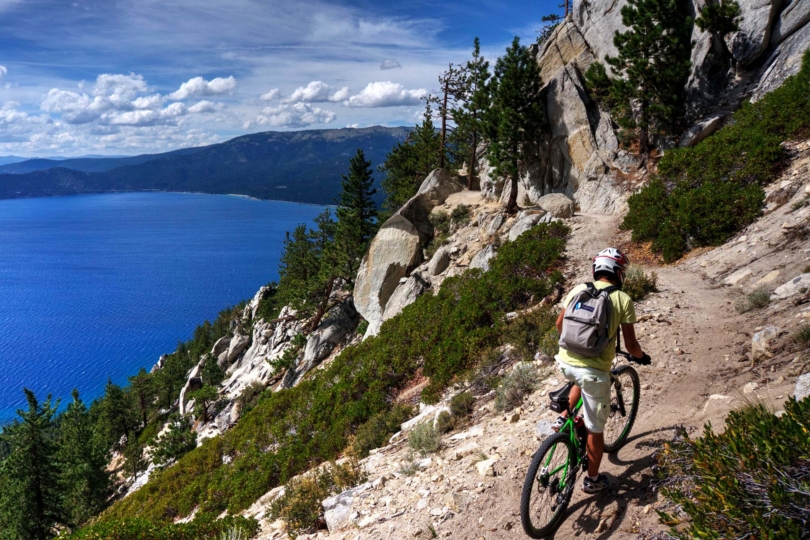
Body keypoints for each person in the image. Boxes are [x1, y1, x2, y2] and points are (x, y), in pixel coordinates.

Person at [552, 247, 650, 494]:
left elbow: (559, 325)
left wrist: (577, 344)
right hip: (594, 371)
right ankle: (592, 480)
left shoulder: (578, 289)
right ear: (618, 273)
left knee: (579, 378)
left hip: (564, 361)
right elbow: (630, 345)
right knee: (595, 429)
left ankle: (562, 417)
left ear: (596, 270)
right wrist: (641, 358)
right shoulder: (622, 299)